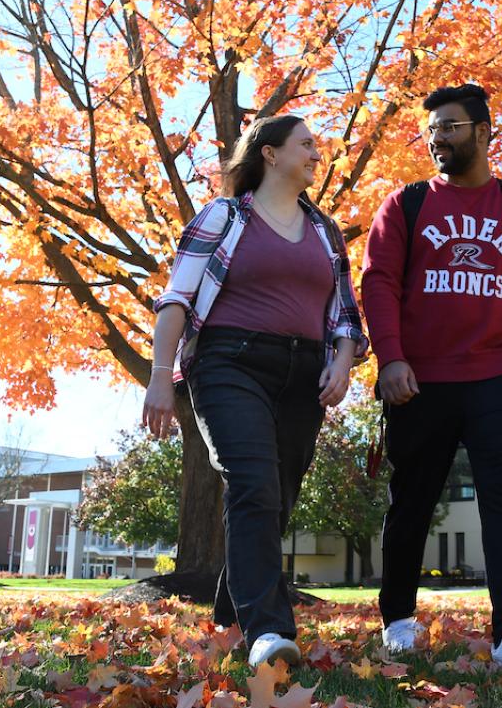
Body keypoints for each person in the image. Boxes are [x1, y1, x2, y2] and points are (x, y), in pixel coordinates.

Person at [361, 84, 502, 669]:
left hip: (497, 377)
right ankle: (399, 621)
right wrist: (390, 359)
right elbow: (378, 284)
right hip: (420, 381)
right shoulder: (405, 204)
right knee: (411, 503)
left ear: (484, 132)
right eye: (431, 128)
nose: (438, 138)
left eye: (451, 127)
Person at [143, 115, 367, 667]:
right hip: (228, 362)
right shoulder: (225, 216)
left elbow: (344, 315)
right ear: (269, 154)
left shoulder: (324, 229)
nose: (319, 153)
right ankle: (267, 631)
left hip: (302, 375)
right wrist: (159, 377)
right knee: (253, 483)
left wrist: (341, 363)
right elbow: (177, 298)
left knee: (276, 499)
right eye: (307, 144)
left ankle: (228, 614)